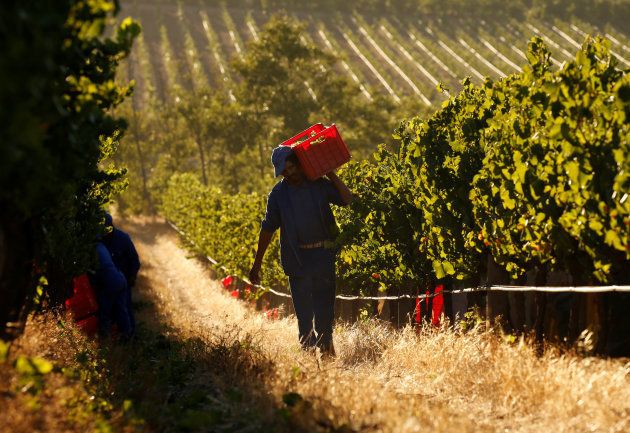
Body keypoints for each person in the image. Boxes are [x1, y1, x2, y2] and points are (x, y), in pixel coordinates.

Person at [249, 146, 352, 357]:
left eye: (291, 169)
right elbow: (268, 228)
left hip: (323, 256)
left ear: (299, 163)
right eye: (285, 172)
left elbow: (347, 199)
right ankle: (307, 359)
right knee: (304, 315)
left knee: (325, 310)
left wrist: (330, 172)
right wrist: (257, 264)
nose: (289, 174)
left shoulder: (319, 185)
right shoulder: (278, 194)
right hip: (297, 260)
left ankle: (326, 352)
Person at [102, 213, 141, 334]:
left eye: (107, 228)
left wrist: (132, 276)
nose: (105, 232)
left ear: (111, 226)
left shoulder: (123, 238)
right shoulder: (97, 241)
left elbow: (134, 259)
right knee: (106, 311)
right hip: (104, 284)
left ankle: (130, 337)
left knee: (125, 308)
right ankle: (110, 338)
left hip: (123, 281)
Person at [92, 241, 133, 339]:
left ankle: (104, 336)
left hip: (110, 280)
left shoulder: (92, 249)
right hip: (120, 278)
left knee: (105, 309)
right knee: (121, 308)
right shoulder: (102, 246)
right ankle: (127, 334)